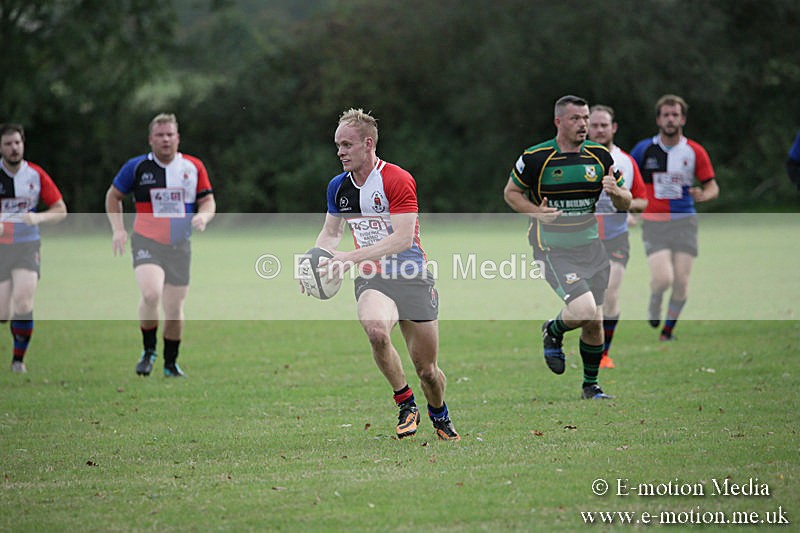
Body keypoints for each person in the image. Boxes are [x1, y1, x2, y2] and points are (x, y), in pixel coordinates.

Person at [307, 108, 459, 440]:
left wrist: (349, 256)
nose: (340, 152)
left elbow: (402, 238)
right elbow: (331, 233)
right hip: (373, 278)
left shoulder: (397, 179)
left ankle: (439, 414)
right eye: (337, 145)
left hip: (412, 276)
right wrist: (315, 262)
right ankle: (406, 404)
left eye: (347, 145)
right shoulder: (338, 187)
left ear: (368, 143)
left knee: (428, 371)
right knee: (376, 332)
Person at [504, 95, 631, 400]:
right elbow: (511, 193)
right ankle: (553, 330)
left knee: (595, 321)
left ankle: (591, 386)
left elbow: (626, 201)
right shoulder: (536, 157)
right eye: (576, 119)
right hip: (552, 249)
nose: (584, 124)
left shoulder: (600, 157)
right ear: (558, 121)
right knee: (584, 309)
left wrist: (616, 193)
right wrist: (536, 212)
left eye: (586, 118)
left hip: (591, 246)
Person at [105, 113, 215, 377]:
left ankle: (170, 363)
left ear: (177, 138)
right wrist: (118, 229)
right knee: (151, 294)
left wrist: (203, 216)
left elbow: (208, 201)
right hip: (147, 241)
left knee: (174, 308)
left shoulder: (193, 167)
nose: (165, 139)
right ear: (150, 139)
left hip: (179, 245)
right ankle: (148, 351)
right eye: (160, 135)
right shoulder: (137, 167)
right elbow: (113, 196)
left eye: (170, 135)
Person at [631, 95, 718, 341]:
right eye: (666, 115)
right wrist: (630, 208)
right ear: (659, 119)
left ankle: (667, 331)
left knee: (681, 282)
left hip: (684, 222)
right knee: (663, 279)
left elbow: (712, 186)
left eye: (675, 114)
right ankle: (656, 297)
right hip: (655, 223)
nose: (671, 119)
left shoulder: (694, 151)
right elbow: (627, 180)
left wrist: (705, 195)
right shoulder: (643, 149)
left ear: (683, 119)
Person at [0, 123, 68, 373]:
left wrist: (38, 218)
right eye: (8, 143)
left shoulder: (35, 175)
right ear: (1, 147)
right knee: (3, 312)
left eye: (17, 142)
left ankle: (18, 361)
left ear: (23, 144)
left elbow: (61, 210)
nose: (14, 148)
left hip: (26, 246)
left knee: (24, 302)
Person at [588, 105, 648, 369]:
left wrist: (623, 203)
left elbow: (642, 201)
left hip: (615, 238)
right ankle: (589, 346)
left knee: (610, 295)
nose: (599, 130)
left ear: (614, 128)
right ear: (587, 127)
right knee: (590, 304)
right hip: (583, 240)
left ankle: (603, 354)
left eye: (604, 125)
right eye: (595, 125)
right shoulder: (576, 160)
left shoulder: (625, 162)